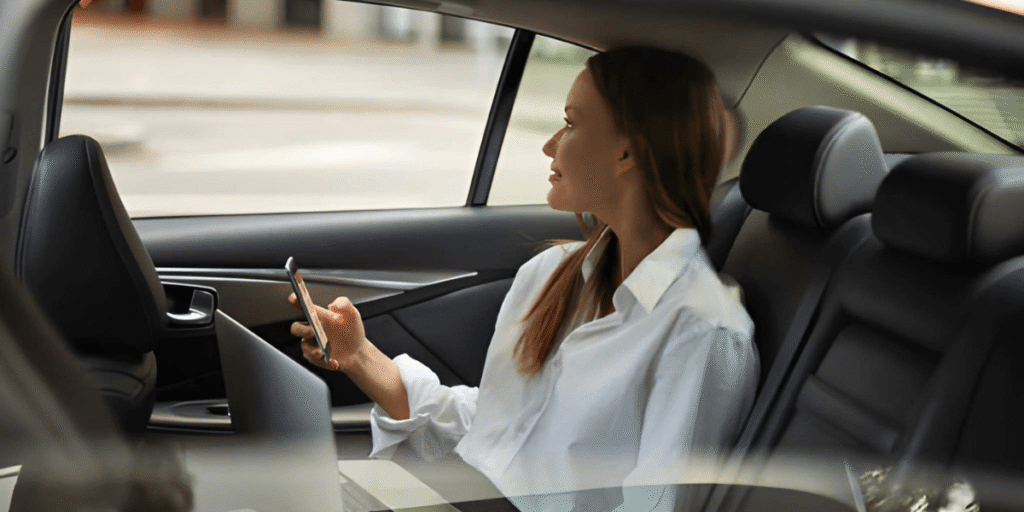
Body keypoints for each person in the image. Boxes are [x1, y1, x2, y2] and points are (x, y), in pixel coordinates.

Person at [289, 46, 757, 511]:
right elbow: (496, 430)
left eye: (571, 124)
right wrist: (359, 356)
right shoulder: (550, 274)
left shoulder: (704, 332)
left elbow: (659, 506)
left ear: (627, 149)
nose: (550, 144)